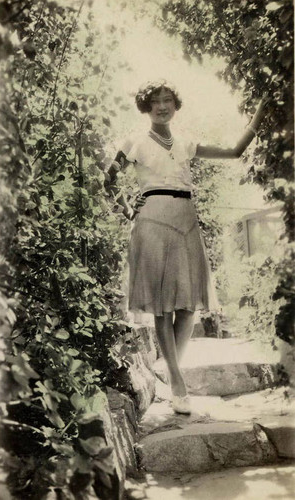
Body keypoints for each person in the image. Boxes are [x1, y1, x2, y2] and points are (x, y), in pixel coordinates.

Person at [105, 79, 265, 414]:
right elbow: (109, 177)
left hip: (186, 219)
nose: (162, 107)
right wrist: (124, 208)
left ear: (176, 105)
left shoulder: (186, 141)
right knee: (163, 305)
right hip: (152, 218)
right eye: (155, 102)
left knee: (189, 304)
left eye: (168, 101)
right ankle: (178, 382)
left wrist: (260, 115)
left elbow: (234, 151)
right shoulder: (134, 140)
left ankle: (169, 370)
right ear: (145, 107)